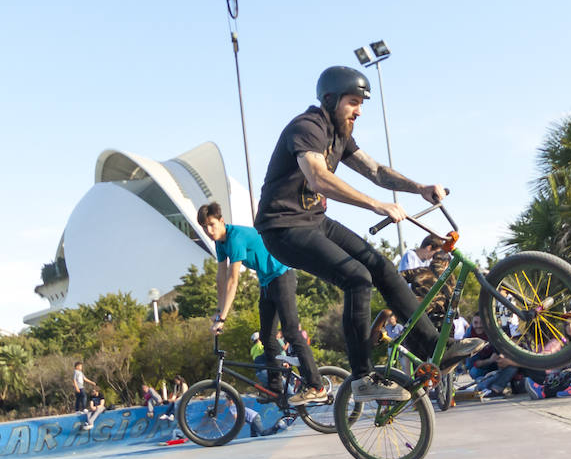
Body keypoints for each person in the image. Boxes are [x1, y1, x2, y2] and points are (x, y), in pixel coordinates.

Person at [254, 65, 484, 402]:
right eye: (352, 102)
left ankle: (435, 345)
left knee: (381, 266)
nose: (359, 111)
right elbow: (318, 178)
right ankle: (362, 379)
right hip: (283, 227)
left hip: (314, 221)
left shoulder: (340, 134)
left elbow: (375, 170)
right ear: (330, 99)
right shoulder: (307, 128)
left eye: (362, 103)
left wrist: (417, 187)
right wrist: (376, 205)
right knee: (357, 278)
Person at [198, 201, 324, 403]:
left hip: (281, 276)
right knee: (266, 337)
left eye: (212, 224)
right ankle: (275, 388)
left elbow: (233, 280)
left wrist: (223, 318)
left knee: (291, 331)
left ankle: (316, 386)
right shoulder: (220, 243)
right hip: (266, 283)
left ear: (221, 221)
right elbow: (220, 278)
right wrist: (219, 310)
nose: (209, 231)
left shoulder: (235, 237)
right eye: (204, 227)